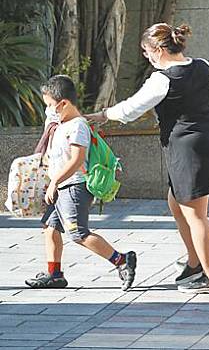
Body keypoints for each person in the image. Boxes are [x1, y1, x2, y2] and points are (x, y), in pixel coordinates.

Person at [86, 23, 209, 294]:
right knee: (177, 204)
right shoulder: (203, 65)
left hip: (189, 147)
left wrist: (103, 115)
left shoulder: (163, 78)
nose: (146, 57)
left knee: (196, 214)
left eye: (146, 51)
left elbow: (133, 108)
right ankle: (195, 262)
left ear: (159, 49)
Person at [25, 75, 137, 290]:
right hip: (60, 187)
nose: (48, 110)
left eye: (50, 105)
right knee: (50, 228)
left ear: (64, 103)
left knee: (78, 233)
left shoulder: (77, 127)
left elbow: (77, 160)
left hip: (74, 187)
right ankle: (54, 274)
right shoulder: (59, 124)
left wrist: (55, 182)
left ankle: (122, 260)